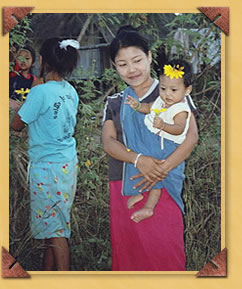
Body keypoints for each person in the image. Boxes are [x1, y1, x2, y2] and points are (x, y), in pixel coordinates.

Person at [102, 25, 198, 271]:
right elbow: (109, 142)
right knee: (129, 258)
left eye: (137, 60)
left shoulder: (172, 91)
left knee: (166, 255)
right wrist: (139, 160)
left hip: (164, 182)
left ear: (150, 57)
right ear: (114, 66)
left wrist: (161, 169)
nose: (131, 69)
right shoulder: (115, 102)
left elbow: (190, 138)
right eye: (122, 64)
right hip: (124, 185)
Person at [11, 38, 80, 271]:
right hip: (67, 164)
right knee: (54, 225)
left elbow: (17, 125)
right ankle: (47, 276)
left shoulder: (39, 92)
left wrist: (26, 97)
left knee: (57, 230)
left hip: (47, 167)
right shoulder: (70, 91)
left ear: (42, 61)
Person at [124, 59, 193, 223]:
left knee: (158, 172)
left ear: (187, 90)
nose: (167, 94)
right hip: (156, 141)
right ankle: (139, 192)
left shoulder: (180, 109)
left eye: (174, 90)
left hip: (170, 147)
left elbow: (179, 128)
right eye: (163, 88)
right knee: (136, 156)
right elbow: (149, 107)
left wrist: (164, 125)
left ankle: (149, 206)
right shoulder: (162, 101)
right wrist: (137, 106)